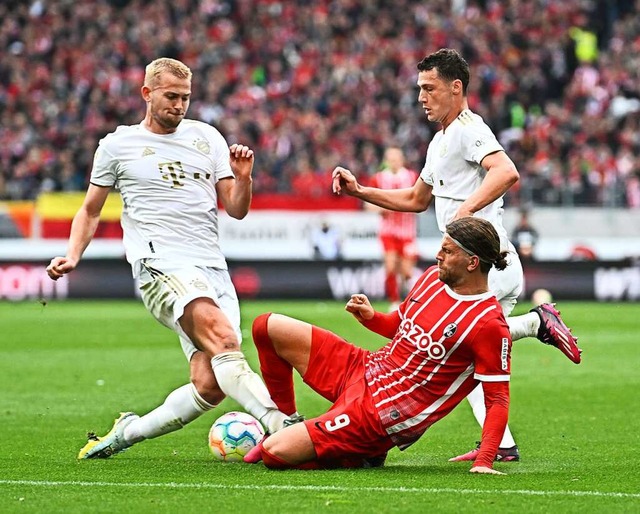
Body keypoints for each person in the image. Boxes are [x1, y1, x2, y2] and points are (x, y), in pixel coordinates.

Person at [332, 48, 582, 463]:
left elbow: (506, 171)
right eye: (419, 89)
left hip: (484, 264)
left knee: (437, 345)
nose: (421, 97)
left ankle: (537, 323)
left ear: (456, 88)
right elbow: (415, 199)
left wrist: (466, 213)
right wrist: (361, 191)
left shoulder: (469, 128)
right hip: (469, 266)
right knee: (467, 356)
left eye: (429, 89)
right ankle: (500, 446)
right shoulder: (440, 140)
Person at [46, 57, 298, 459]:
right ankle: (283, 424)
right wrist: (73, 255)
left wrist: (244, 177)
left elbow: (235, 208)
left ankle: (126, 433)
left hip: (211, 267)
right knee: (226, 340)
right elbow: (90, 209)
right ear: (147, 93)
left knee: (210, 383)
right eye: (171, 96)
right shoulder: (117, 145)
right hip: (160, 263)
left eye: (185, 98)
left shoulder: (208, 138)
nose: (179, 106)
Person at [244, 217, 512, 474]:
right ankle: (287, 420)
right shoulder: (432, 278)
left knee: (274, 453)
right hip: (365, 367)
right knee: (266, 326)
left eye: (447, 250)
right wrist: (371, 318)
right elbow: (399, 325)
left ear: (472, 262)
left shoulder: (488, 324)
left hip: (381, 414)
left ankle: (357, 455)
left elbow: (497, 397)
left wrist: (484, 461)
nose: (438, 255)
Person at [366, 146, 419, 307]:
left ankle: (408, 302)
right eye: (390, 160)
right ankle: (394, 302)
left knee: (407, 271)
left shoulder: (412, 177)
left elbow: (421, 199)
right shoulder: (378, 178)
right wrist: (381, 208)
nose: (393, 163)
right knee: (390, 265)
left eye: (396, 159)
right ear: (386, 161)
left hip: (408, 232)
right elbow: (368, 205)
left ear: (402, 160)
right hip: (388, 231)